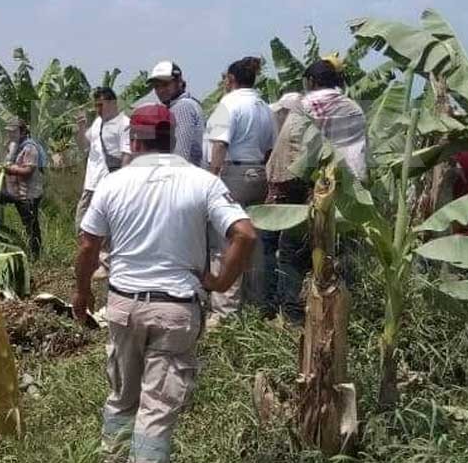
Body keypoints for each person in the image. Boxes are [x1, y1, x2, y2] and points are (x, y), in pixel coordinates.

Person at [74, 105, 256, 463]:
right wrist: (220, 281)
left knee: (122, 397)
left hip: (124, 305)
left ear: (133, 140)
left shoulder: (113, 183)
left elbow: (88, 246)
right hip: (175, 310)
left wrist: (81, 294)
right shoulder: (202, 182)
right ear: (171, 138)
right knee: (155, 409)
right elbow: (244, 234)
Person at [264, 57, 368, 321]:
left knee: (291, 251)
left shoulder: (306, 105)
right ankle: (347, 310)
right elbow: (359, 152)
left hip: (311, 188)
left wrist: (277, 187)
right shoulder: (354, 108)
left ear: (311, 81)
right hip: (349, 188)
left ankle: (293, 316)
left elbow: (287, 152)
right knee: (343, 250)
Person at [204, 56, 276, 317]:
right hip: (259, 172)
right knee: (254, 243)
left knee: (226, 241)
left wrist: (212, 179)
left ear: (231, 79)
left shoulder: (228, 104)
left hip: (232, 174)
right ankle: (255, 303)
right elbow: (269, 148)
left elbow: (219, 145)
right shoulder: (264, 106)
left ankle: (225, 309)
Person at [74, 86, 131, 233]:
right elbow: (83, 145)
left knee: (105, 231)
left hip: (109, 185)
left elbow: (127, 155)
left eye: (101, 105)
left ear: (113, 103)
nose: (98, 109)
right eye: (96, 105)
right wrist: (81, 127)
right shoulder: (97, 123)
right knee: (82, 227)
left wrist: (121, 186)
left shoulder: (125, 124)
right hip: (91, 185)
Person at [2, 117, 46, 259]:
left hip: (29, 193)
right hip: (17, 191)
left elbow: (28, 171)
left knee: (31, 225)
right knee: (27, 223)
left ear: (22, 132)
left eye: (13, 132)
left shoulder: (29, 148)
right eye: (9, 132)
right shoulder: (14, 146)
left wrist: (10, 169)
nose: (10, 134)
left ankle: (36, 255)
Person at [146, 60, 205, 166]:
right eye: (156, 86)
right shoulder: (188, 103)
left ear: (179, 82)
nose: (160, 90)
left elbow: (180, 154)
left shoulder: (182, 107)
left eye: (165, 84)